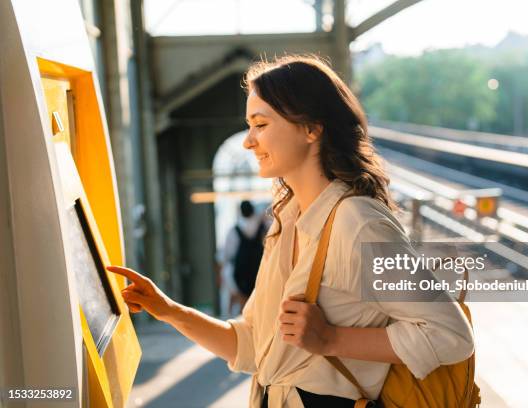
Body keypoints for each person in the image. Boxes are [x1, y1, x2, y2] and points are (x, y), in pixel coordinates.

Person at [107, 54, 474, 407]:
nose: (249, 141)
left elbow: (451, 336)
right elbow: (249, 346)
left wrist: (331, 339)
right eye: (250, 126)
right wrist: (169, 310)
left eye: (261, 125)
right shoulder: (287, 220)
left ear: (312, 128)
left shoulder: (357, 222)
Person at [221, 200, 267, 314]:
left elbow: (226, 256)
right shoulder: (262, 226)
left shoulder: (234, 231)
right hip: (260, 270)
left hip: (240, 275)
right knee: (260, 304)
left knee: (244, 303)